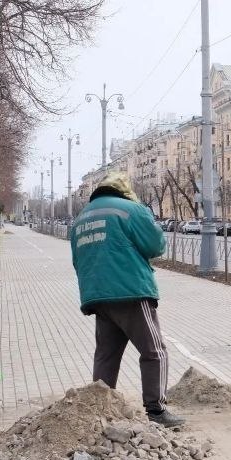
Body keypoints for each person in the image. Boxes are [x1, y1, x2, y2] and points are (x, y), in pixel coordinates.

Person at [69, 172, 184, 428]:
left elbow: (77, 260)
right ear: (124, 191)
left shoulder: (81, 218)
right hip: (130, 291)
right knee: (155, 352)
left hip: (97, 295)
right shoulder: (131, 210)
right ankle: (156, 410)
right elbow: (156, 246)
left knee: (106, 356)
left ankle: (100, 410)